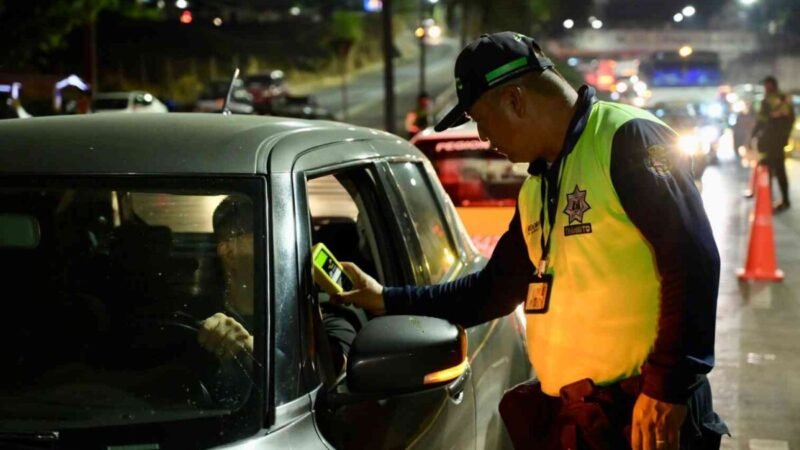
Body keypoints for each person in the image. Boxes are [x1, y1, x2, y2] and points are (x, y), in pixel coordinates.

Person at [335, 32, 727, 450]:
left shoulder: (627, 139)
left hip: (644, 419)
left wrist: (668, 388)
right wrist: (388, 300)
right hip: (584, 420)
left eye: (481, 120)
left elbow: (693, 261)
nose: (484, 137)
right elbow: (492, 292)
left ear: (515, 101)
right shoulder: (536, 188)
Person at [198, 196, 356, 374]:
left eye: (289, 237)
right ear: (229, 252)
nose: (290, 248)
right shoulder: (198, 318)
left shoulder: (321, 318)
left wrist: (249, 349)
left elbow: (333, 374)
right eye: (269, 236)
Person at [752, 75, 794, 212]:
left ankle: (766, 200)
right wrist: (785, 137)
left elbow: (761, 121)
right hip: (779, 141)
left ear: (769, 86)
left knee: (766, 168)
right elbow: (791, 119)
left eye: (765, 85)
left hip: (771, 141)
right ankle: (785, 200)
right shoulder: (784, 99)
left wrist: (753, 135)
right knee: (779, 170)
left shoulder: (768, 100)